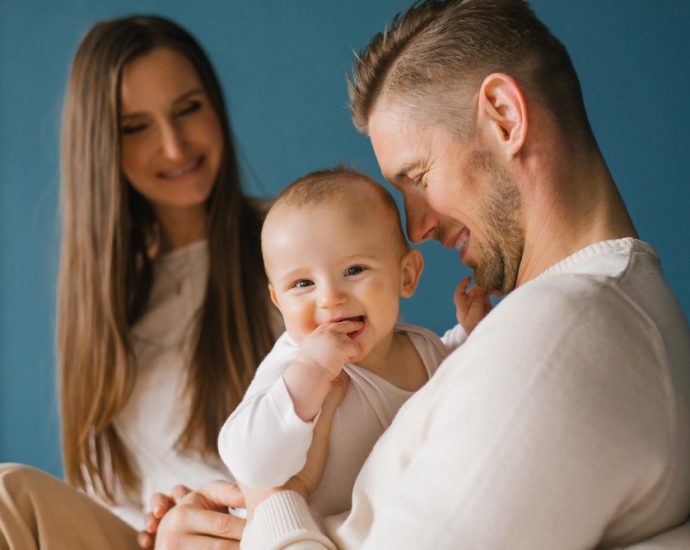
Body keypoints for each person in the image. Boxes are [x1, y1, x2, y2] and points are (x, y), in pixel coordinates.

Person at [1, 1, 689, 548]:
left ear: (505, 117)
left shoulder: (557, 334)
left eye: (417, 177)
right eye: (299, 286)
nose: (415, 229)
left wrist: (273, 504)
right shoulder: (535, 325)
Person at [0, 13, 280, 549]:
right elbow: (103, 496)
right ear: (101, 145)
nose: (174, 147)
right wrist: (155, 530)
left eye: (188, 110)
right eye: (136, 127)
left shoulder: (294, 243)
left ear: (215, 107)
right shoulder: (104, 298)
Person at [218, 168, 485, 518]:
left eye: (354, 270)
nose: (330, 298)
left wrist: (471, 334)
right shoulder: (295, 366)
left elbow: (455, 379)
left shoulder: (425, 348)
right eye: (302, 284)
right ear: (278, 301)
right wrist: (310, 374)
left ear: (406, 276)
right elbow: (251, 464)